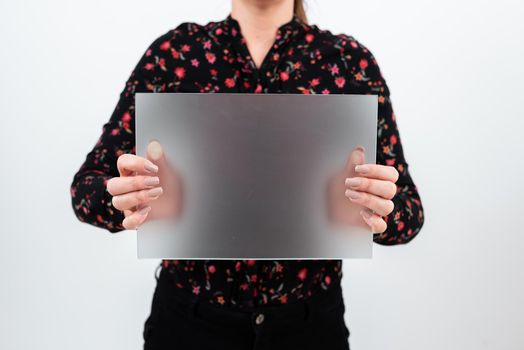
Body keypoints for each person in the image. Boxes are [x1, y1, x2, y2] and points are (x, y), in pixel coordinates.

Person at [70, 0, 425, 349]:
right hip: (188, 326)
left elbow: (409, 210)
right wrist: (121, 197)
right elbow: (87, 188)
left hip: (309, 326)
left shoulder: (348, 61)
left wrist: (381, 210)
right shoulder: (175, 54)